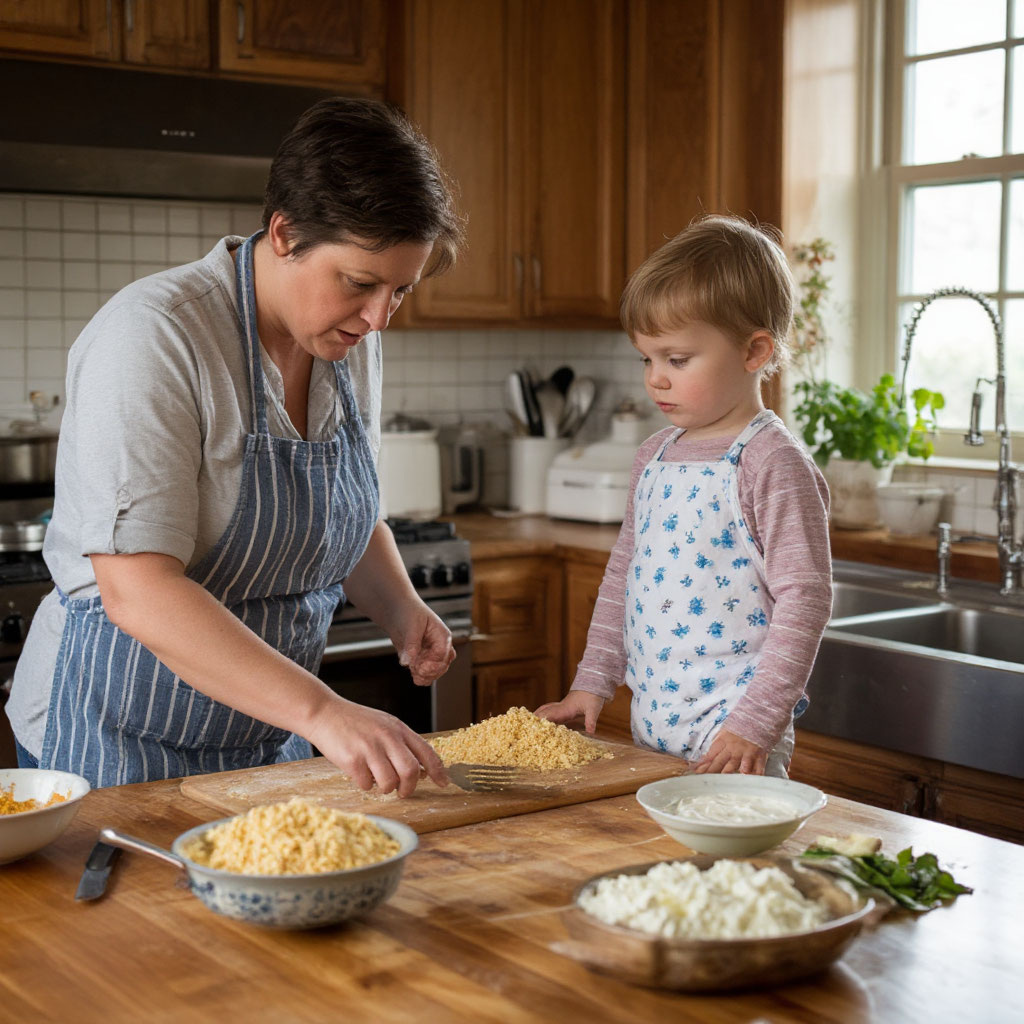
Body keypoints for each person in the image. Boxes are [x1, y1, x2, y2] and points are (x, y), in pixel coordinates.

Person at [6, 97, 464, 795]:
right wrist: (323, 712)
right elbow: (138, 590)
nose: (378, 318)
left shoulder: (347, 341)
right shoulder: (155, 337)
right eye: (361, 283)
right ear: (283, 234)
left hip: (260, 732)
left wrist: (401, 607)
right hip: (118, 738)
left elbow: (343, 508)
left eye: (400, 291)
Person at [536, 215, 832, 777]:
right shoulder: (654, 455)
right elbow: (622, 578)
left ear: (754, 352)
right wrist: (592, 684)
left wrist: (756, 722)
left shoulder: (771, 460)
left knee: (731, 864)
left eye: (677, 359)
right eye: (646, 358)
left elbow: (807, 600)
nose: (655, 379)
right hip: (655, 725)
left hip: (735, 734)